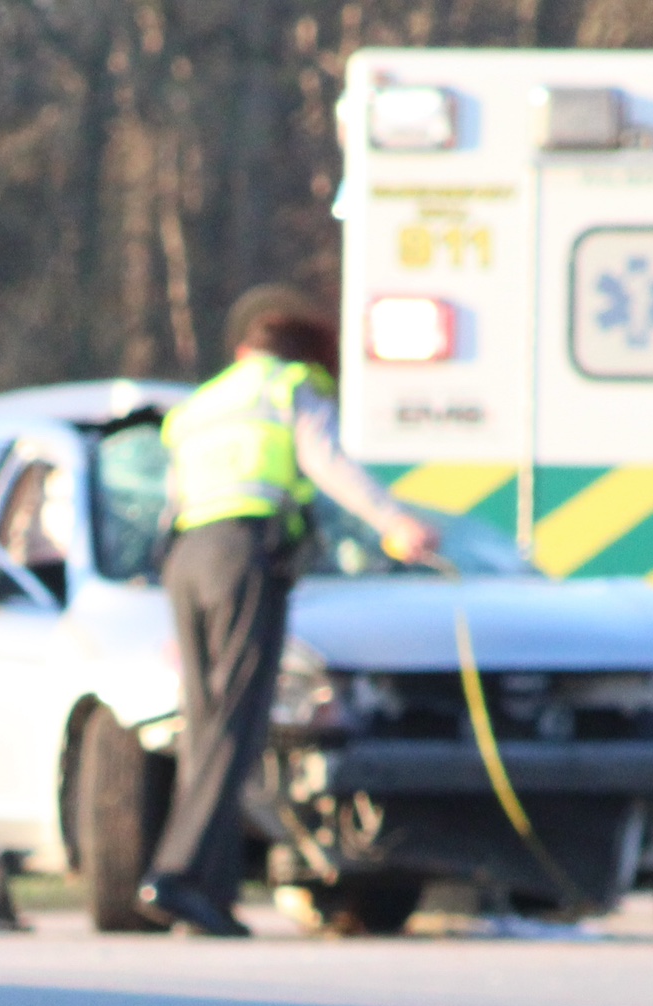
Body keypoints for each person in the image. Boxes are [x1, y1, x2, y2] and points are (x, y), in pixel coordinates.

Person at [142, 286, 436, 936]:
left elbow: (172, 501)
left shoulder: (201, 405)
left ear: (245, 346)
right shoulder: (287, 388)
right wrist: (394, 523)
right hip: (244, 556)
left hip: (187, 558)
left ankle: (209, 899)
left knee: (203, 721)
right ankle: (177, 875)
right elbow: (326, 463)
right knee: (234, 726)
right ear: (302, 352)